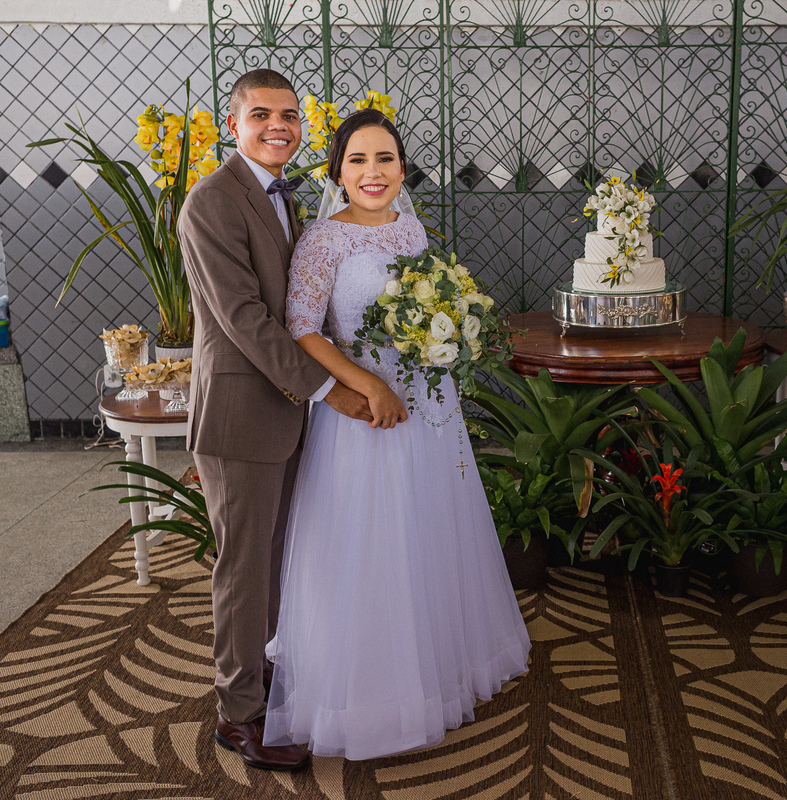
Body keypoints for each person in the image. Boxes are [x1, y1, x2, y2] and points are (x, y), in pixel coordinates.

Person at [262, 108, 531, 760]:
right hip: (364, 415)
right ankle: (373, 691)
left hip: (430, 408)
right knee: (370, 545)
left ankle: (439, 671)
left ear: (403, 169)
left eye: (385, 159)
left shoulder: (412, 230)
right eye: (357, 160)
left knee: (430, 534)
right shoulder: (323, 240)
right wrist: (367, 384)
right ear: (338, 172)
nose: (372, 172)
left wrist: (452, 341)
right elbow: (302, 328)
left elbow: (434, 308)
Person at [178, 68, 376, 772]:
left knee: (280, 561)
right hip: (243, 413)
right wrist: (330, 387)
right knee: (244, 568)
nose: (279, 126)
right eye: (261, 114)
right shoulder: (212, 201)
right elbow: (245, 321)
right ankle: (239, 712)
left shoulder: (287, 197)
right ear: (234, 124)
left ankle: (268, 677)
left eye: (289, 114)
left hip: (290, 413)